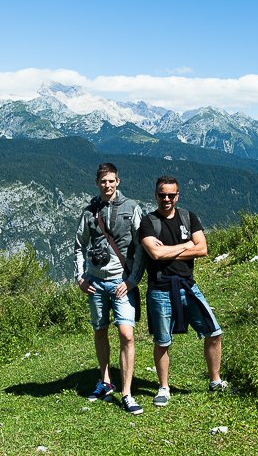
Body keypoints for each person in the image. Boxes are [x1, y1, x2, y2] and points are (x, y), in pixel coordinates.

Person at [139, 175, 226, 407]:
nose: (166, 199)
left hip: (188, 286)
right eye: (161, 194)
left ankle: (215, 381)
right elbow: (155, 254)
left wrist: (169, 250)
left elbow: (203, 249)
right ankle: (163, 388)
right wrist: (187, 246)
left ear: (177, 196)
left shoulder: (189, 217)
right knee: (162, 341)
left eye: (170, 195)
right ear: (155, 195)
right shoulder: (148, 222)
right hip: (160, 289)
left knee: (214, 332)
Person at [74, 163, 146, 415]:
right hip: (95, 282)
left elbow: (142, 247)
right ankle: (105, 382)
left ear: (118, 181)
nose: (107, 185)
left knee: (126, 334)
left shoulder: (132, 208)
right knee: (100, 330)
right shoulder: (88, 212)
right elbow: (78, 246)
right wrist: (80, 278)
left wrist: (132, 281)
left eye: (111, 181)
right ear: (97, 182)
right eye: (103, 181)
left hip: (121, 283)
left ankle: (126, 393)